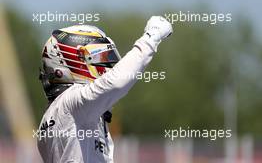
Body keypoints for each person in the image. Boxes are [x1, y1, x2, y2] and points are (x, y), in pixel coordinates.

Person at [37, 16, 173, 163]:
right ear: (70, 60)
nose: (106, 66)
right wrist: (151, 37)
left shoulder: (58, 114)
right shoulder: (71, 104)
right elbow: (116, 82)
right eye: (98, 57)